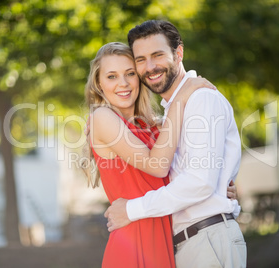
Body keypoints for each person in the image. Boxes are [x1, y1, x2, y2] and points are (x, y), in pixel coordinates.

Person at [105, 20, 247, 267]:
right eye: (140, 60)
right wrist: (219, 189)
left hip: (207, 239)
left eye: (157, 55)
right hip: (191, 243)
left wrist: (130, 210)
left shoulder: (201, 99)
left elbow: (199, 182)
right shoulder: (170, 113)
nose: (150, 67)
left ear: (178, 53)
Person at [84, 41, 221, 267]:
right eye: (112, 77)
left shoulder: (156, 128)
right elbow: (157, 166)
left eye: (130, 73)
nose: (123, 83)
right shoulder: (102, 118)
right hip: (132, 244)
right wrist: (182, 96)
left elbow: (188, 171)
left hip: (166, 243)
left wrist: (219, 183)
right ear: (99, 84)